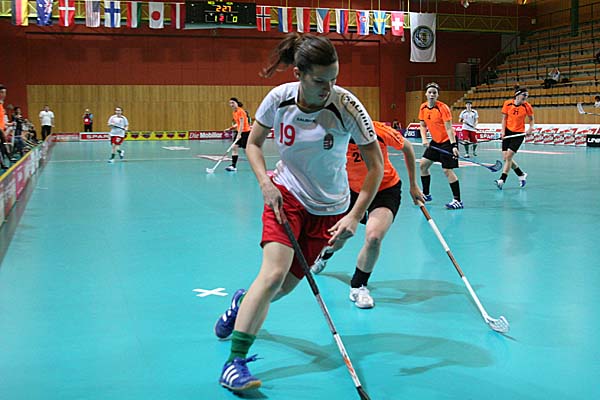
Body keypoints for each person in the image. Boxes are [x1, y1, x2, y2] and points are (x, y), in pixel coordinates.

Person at [213, 33, 384, 392]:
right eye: (320, 80)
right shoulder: (279, 99)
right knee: (273, 274)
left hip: (329, 209)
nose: (328, 88)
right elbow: (254, 144)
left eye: (334, 78)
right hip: (286, 197)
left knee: (283, 288)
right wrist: (265, 183)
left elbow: (376, 167)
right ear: (298, 75)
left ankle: (241, 304)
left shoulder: (347, 106)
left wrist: (355, 215)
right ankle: (234, 363)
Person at [310, 121, 423, 308]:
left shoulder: (379, 131)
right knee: (339, 238)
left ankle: (358, 286)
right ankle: (325, 254)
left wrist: (413, 184)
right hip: (352, 192)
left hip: (385, 189)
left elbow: (408, 147)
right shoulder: (333, 136)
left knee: (374, 237)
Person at [418, 82, 463, 210]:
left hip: (447, 141)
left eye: (434, 93)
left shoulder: (443, 108)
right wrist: (424, 139)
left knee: (447, 170)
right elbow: (422, 125)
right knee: (423, 165)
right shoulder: (423, 107)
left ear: (438, 95)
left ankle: (458, 200)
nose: (432, 95)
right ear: (426, 94)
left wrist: (454, 145)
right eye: (430, 92)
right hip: (435, 141)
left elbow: (449, 128)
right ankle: (426, 194)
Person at [494, 87, 534, 189]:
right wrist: (503, 131)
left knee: (508, 157)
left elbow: (531, 119)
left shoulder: (527, 106)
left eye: (527, 95)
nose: (526, 97)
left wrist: (530, 128)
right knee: (505, 158)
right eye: (524, 95)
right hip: (508, 132)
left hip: (519, 134)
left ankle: (502, 180)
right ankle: (521, 174)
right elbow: (504, 119)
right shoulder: (507, 104)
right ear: (517, 95)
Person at [225, 98, 251, 172]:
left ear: (237, 103)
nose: (231, 104)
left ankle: (255, 163)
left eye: (233, 103)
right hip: (239, 131)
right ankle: (233, 166)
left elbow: (242, 124)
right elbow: (238, 123)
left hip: (245, 132)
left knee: (246, 150)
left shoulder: (241, 111)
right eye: (230, 103)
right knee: (234, 147)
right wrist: (230, 128)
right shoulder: (234, 112)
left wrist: (239, 135)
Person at [0, 84, 9, 170]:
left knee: (2, 147)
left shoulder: (1, 105)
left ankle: (2, 163)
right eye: (2, 92)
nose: (4, 94)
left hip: (1, 130)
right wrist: (2, 132)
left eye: (5, 92)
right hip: (0, 131)